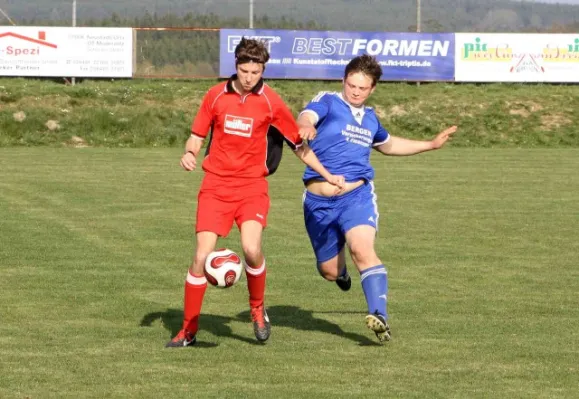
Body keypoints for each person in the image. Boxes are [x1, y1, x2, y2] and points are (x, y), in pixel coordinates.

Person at [166, 38, 345, 347]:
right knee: (199, 257)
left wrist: (328, 174)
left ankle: (257, 308)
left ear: (263, 69)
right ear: (235, 66)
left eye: (255, 71)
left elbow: (298, 146)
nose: (249, 77)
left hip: (251, 187)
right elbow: (197, 135)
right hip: (215, 187)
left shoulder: (271, 102)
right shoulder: (215, 96)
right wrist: (190, 153)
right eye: (244, 70)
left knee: (251, 249)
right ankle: (188, 331)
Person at [297, 54, 457, 343]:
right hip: (318, 202)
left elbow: (390, 144)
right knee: (329, 271)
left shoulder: (370, 119)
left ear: (372, 89)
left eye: (362, 88)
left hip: (356, 196)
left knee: (362, 249)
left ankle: (379, 315)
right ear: (343, 81)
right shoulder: (330, 101)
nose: (355, 92)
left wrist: (431, 145)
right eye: (351, 85)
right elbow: (307, 114)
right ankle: (341, 273)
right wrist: (306, 125)